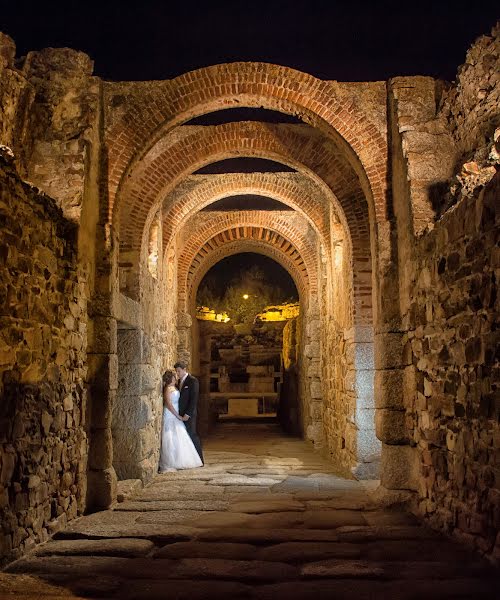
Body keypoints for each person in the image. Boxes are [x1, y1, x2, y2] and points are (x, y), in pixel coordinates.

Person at [158, 370, 203, 472]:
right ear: (171, 379)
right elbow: (169, 405)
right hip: (171, 414)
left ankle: (182, 459)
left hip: (177, 414)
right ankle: (171, 461)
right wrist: (177, 415)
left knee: (180, 435)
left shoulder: (175, 387)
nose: (176, 377)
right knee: (171, 437)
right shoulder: (168, 389)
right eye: (174, 376)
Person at [174, 360, 204, 464]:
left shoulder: (193, 381)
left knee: (192, 434)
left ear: (184, 369)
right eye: (176, 372)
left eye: (179, 371)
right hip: (179, 414)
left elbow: (194, 399)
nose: (177, 374)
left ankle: (200, 460)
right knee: (184, 436)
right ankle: (189, 460)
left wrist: (188, 414)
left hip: (189, 414)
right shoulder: (178, 382)